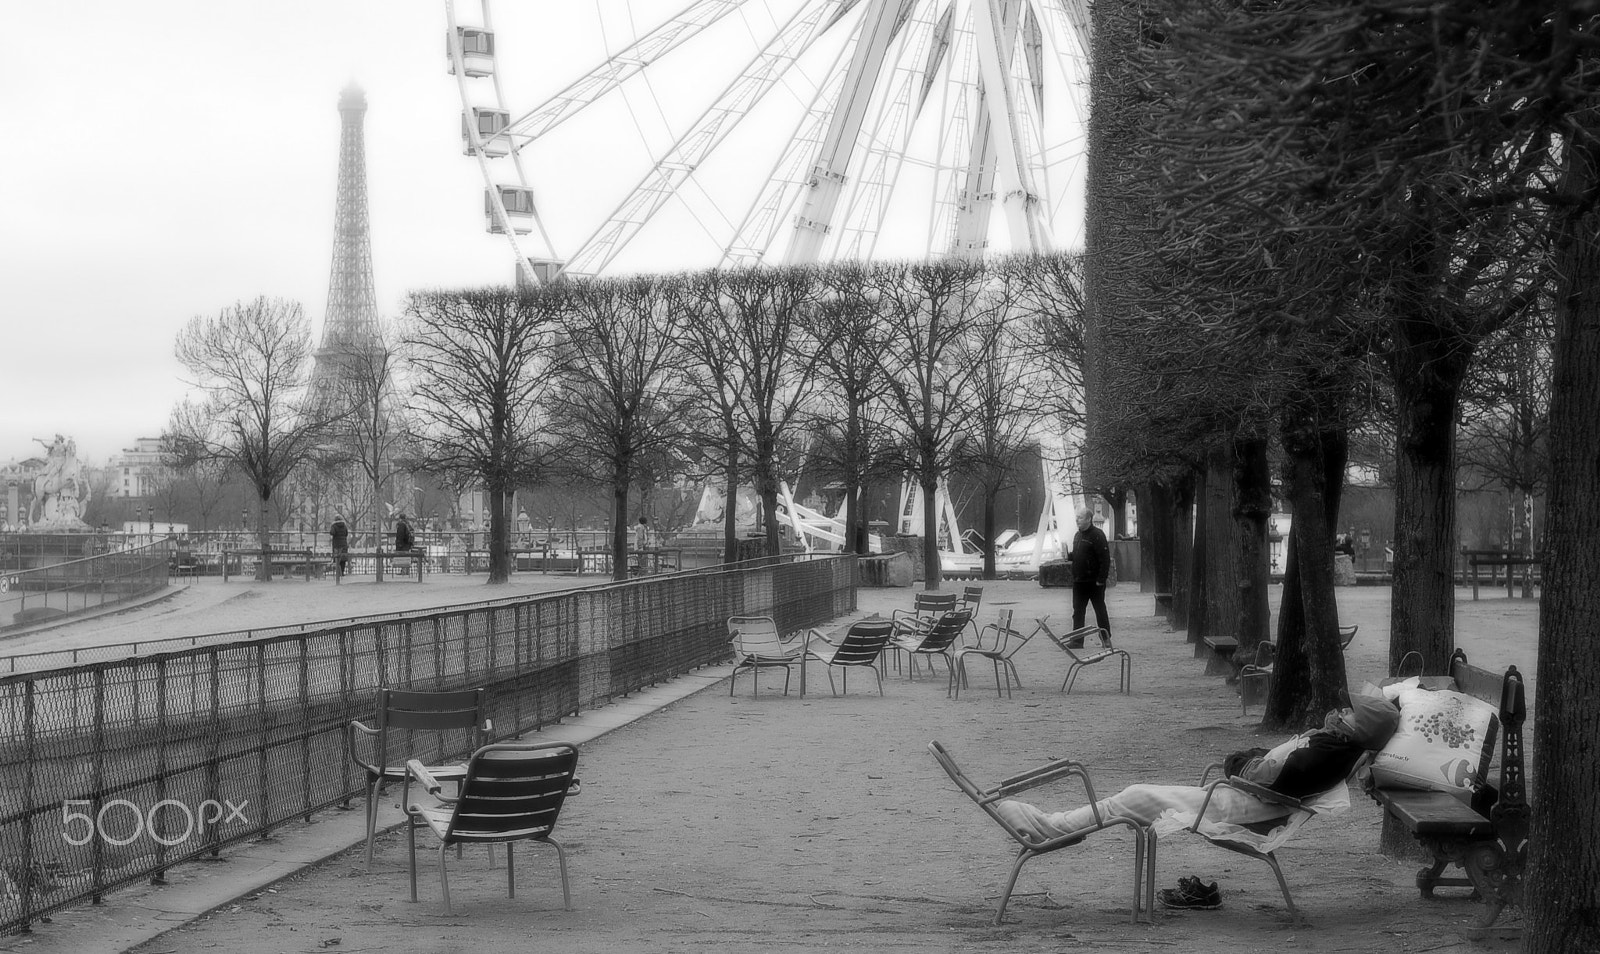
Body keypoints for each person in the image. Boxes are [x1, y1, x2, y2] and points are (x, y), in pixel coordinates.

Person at [993, 691, 1401, 907]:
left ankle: (1051, 828)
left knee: (1133, 796)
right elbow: (1272, 772)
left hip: (1238, 807)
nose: (1340, 710)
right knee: (1132, 796)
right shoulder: (1334, 748)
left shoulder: (1327, 753)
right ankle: (1055, 826)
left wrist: (1239, 762)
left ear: (1358, 728)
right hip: (1237, 799)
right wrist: (1247, 764)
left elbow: (1269, 775)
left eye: (1349, 712)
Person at [1066, 507, 1111, 648]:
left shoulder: (1097, 535)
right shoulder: (1077, 535)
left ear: (1088, 519)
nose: (1077, 520)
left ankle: (1106, 638)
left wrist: (1101, 579)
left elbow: (1105, 558)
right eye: (1077, 517)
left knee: (1100, 611)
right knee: (1078, 612)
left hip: (1094, 582)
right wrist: (1069, 556)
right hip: (1079, 581)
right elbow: (1079, 555)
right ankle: (1077, 640)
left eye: (1080, 517)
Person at [330, 513, 350, 578]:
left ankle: (338, 573)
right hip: (344, 544)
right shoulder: (344, 526)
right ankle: (342, 572)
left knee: (337, 559)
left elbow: (332, 533)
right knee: (343, 559)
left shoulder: (334, 526)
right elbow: (346, 533)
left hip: (336, 545)